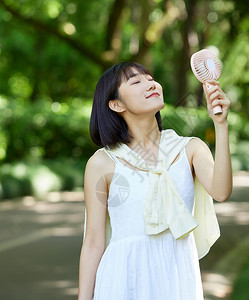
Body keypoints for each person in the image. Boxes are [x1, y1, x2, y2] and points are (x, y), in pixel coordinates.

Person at [78, 61, 232, 300]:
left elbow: (221, 192)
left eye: (150, 78)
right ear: (116, 104)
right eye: (136, 81)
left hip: (177, 277)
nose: (150, 84)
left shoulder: (189, 149)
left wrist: (220, 125)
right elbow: (93, 243)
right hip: (121, 281)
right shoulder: (102, 163)